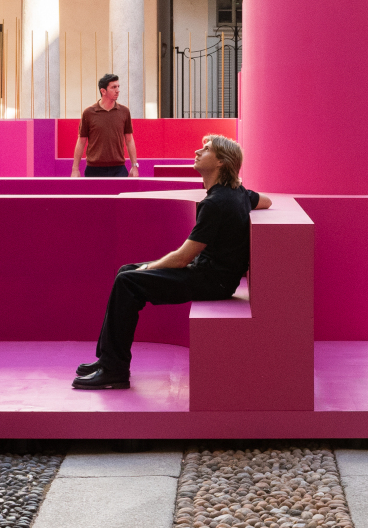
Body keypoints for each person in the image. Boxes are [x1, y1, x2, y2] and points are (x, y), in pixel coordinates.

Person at [75, 134, 270, 389]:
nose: (198, 152)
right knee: (126, 271)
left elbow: (182, 258)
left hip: (212, 281)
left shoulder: (216, 203)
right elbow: (265, 201)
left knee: (127, 281)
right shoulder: (237, 192)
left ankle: (115, 371)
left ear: (221, 161)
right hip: (216, 276)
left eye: (206, 149)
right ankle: (107, 359)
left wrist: (148, 268)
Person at [74, 73, 137, 179]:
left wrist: (134, 166)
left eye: (118, 86)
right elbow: (81, 141)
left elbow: (129, 140)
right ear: (103, 91)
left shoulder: (124, 111)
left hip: (119, 169)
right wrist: (75, 169)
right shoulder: (89, 113)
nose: (118, 90)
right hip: (94, 169)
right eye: (113, 87)